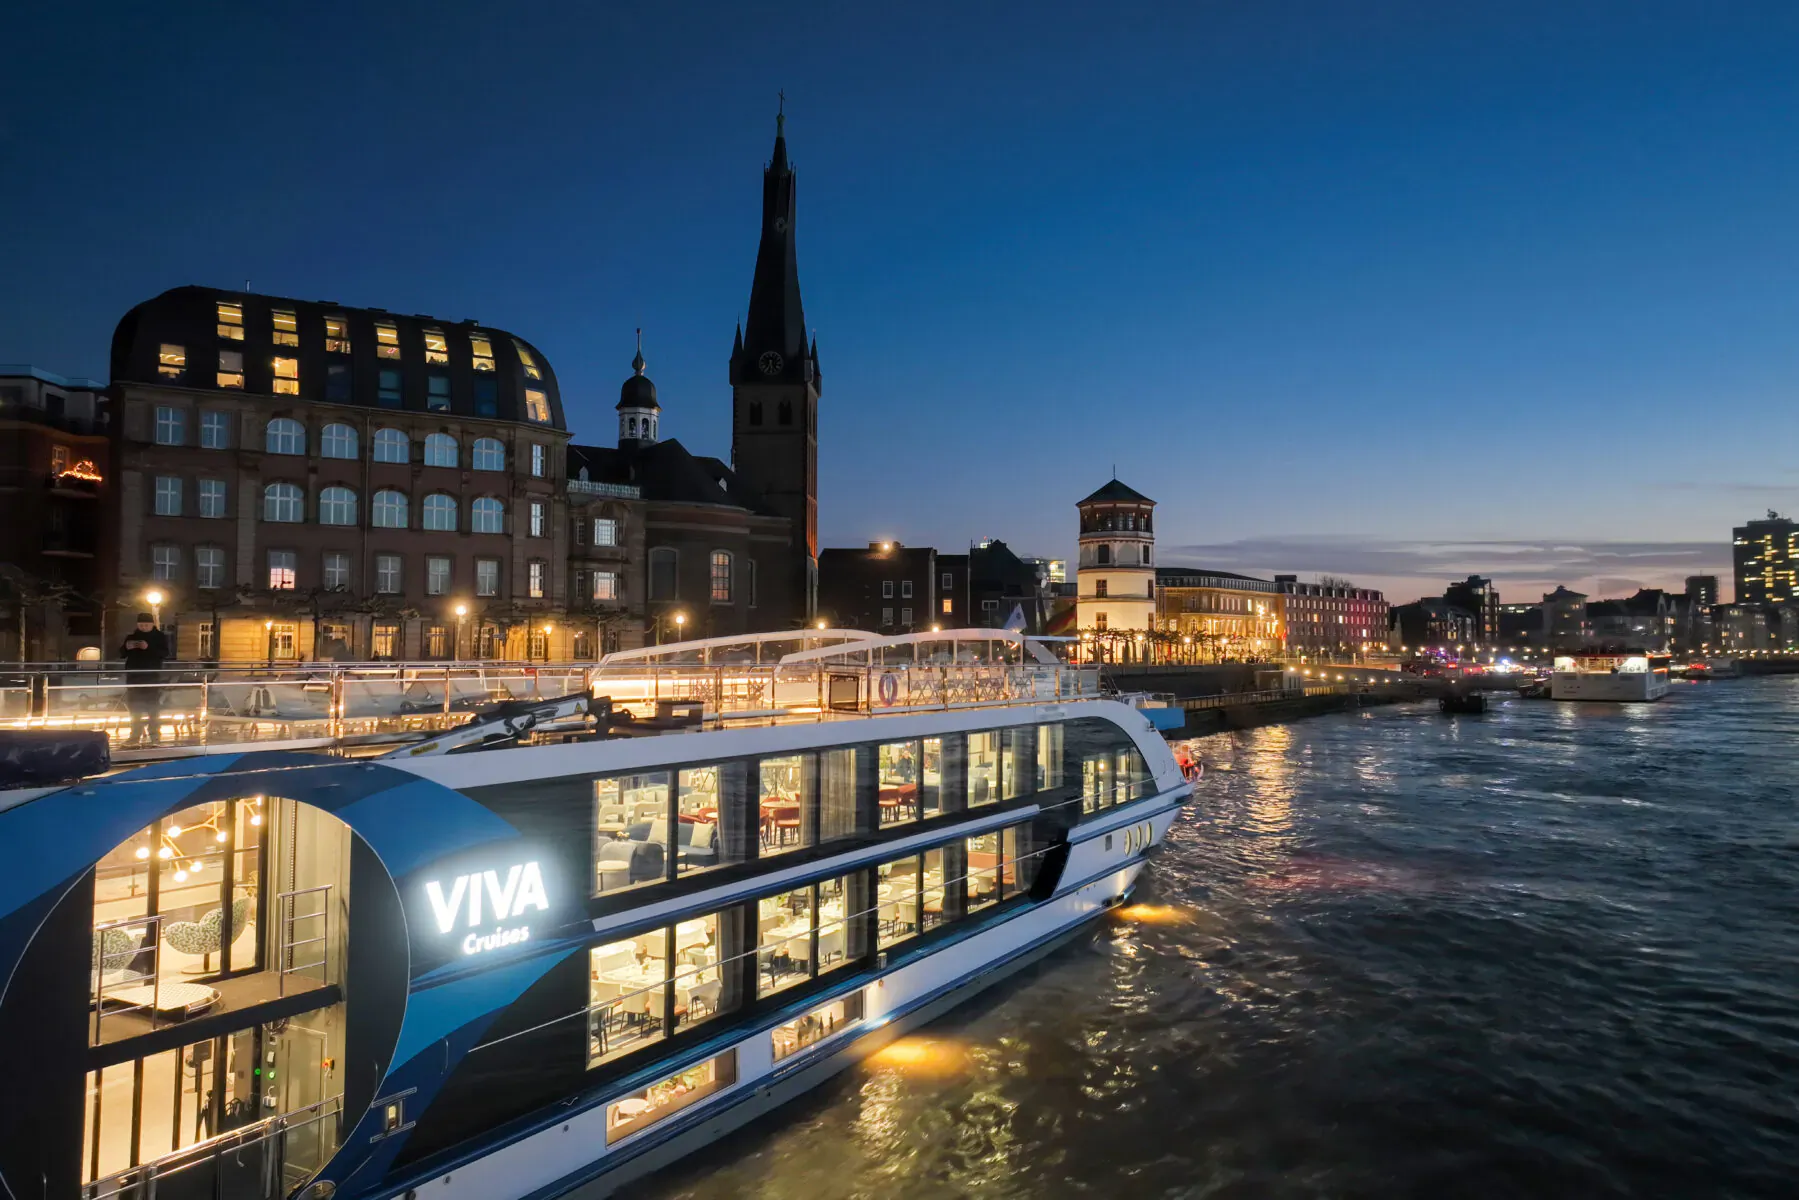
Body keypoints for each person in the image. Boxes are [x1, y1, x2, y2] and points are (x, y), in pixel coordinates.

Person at [118, 613, 170, 746]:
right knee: (134, 709)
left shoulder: (159, 637)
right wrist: (126, 648)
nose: (144, 627)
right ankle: (135, 736)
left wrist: (148, 648)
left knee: (153, 708)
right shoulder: (131, 637)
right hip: (134, 677)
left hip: (151, 677)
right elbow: (121, 654)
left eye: (146, 625)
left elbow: (165, 653)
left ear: (152, 624)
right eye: (141, 625)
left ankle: (154, 736)